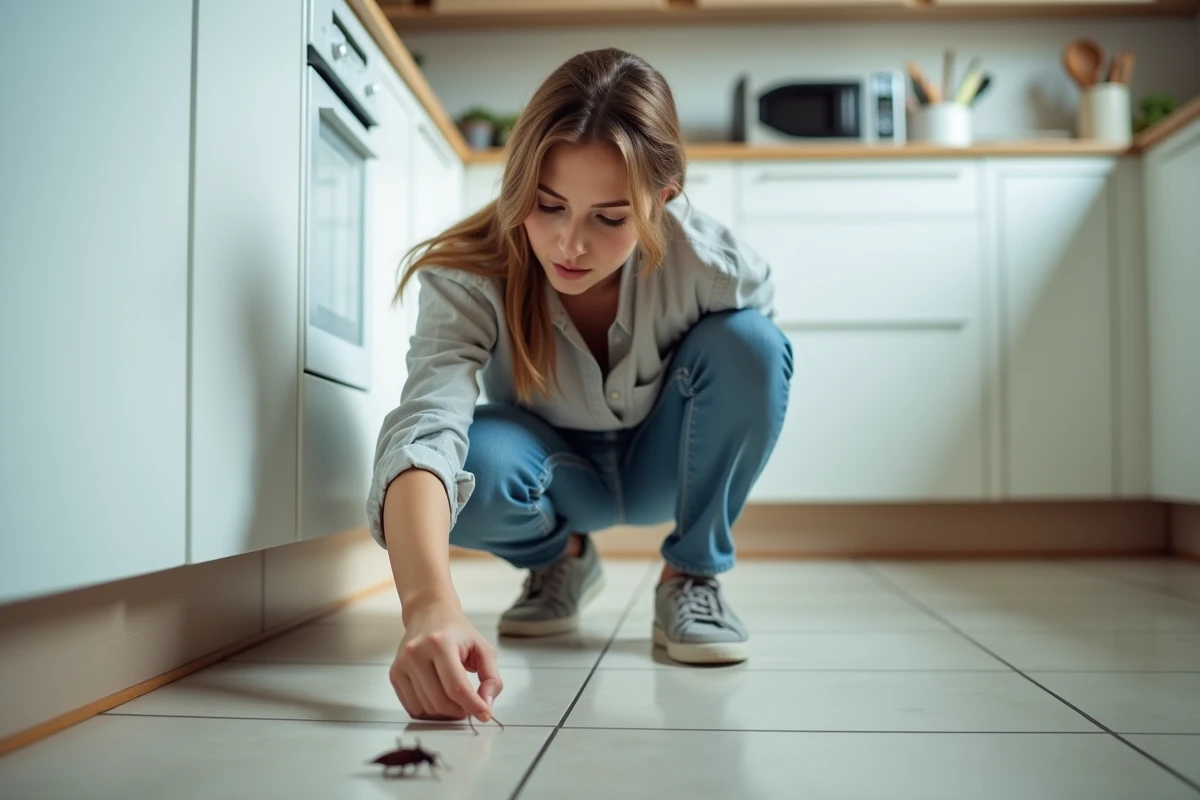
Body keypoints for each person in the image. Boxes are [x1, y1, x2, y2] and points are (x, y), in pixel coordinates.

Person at [366, 47, 793, 725]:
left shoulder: (715, 265)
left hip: (665, 463)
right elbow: (425, 430)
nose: (569, 244)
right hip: (552, 476)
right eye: (549, 205)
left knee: (755, 344)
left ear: (661, 200)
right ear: (520, 185)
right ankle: (561, 558)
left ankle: (692, 575)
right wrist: (427, 606)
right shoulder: (470, 273)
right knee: (467, 468)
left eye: (610, 217)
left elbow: (754, 386)